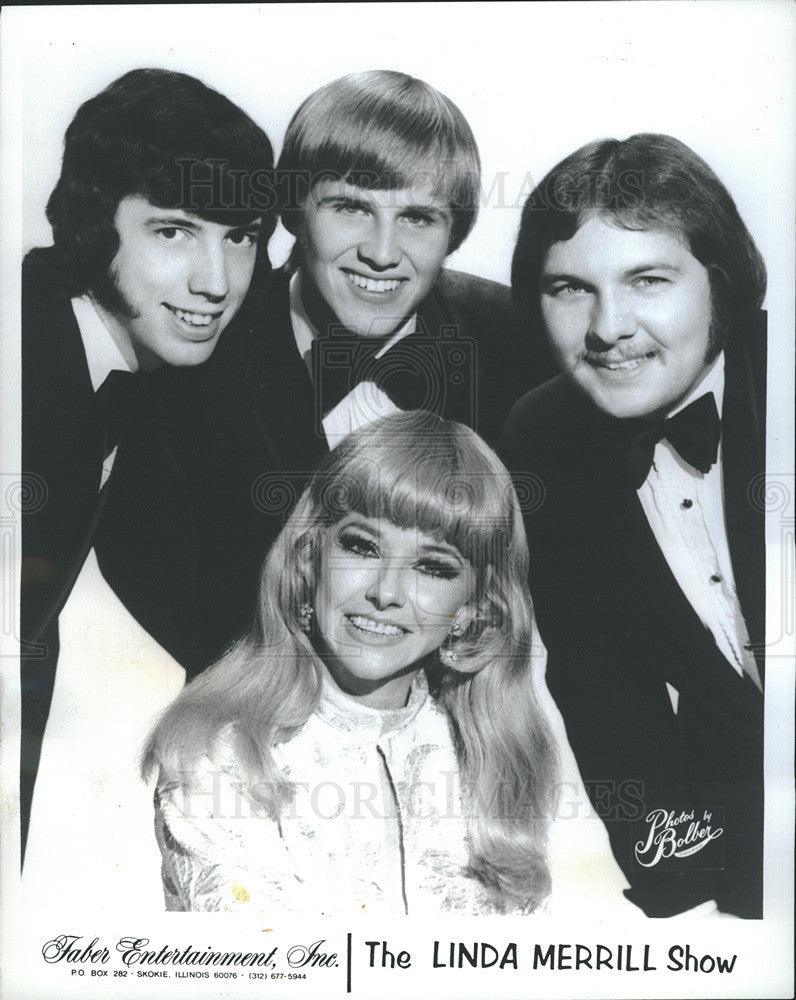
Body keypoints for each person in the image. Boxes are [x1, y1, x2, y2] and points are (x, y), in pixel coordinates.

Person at [101, 70, 556, 679]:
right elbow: (141, 557)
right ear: (294, 211)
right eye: (350, 208)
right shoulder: (195, 349)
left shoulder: (519, 344)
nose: (382, 252)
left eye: (419, 218)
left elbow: (551, 576)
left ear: (455, 231)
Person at [144, 411, 632, 916]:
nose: (385, 592)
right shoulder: (222, 755)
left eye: (432, 566)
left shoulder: (495, 755)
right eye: (362, 546)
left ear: (473, 605)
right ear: (310, 557)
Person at [20, 68, 275, 902]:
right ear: (96, 228)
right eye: (174, 231)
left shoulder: (136, 372)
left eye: (240, 236)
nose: (216, 280)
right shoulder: (22, 352)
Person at [501, 134, 767, 918]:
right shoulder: (542, 435)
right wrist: (684, 889)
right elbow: (601, 685)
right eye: (569, 288)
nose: (608, 326)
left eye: (647, 279)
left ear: (720, 283)